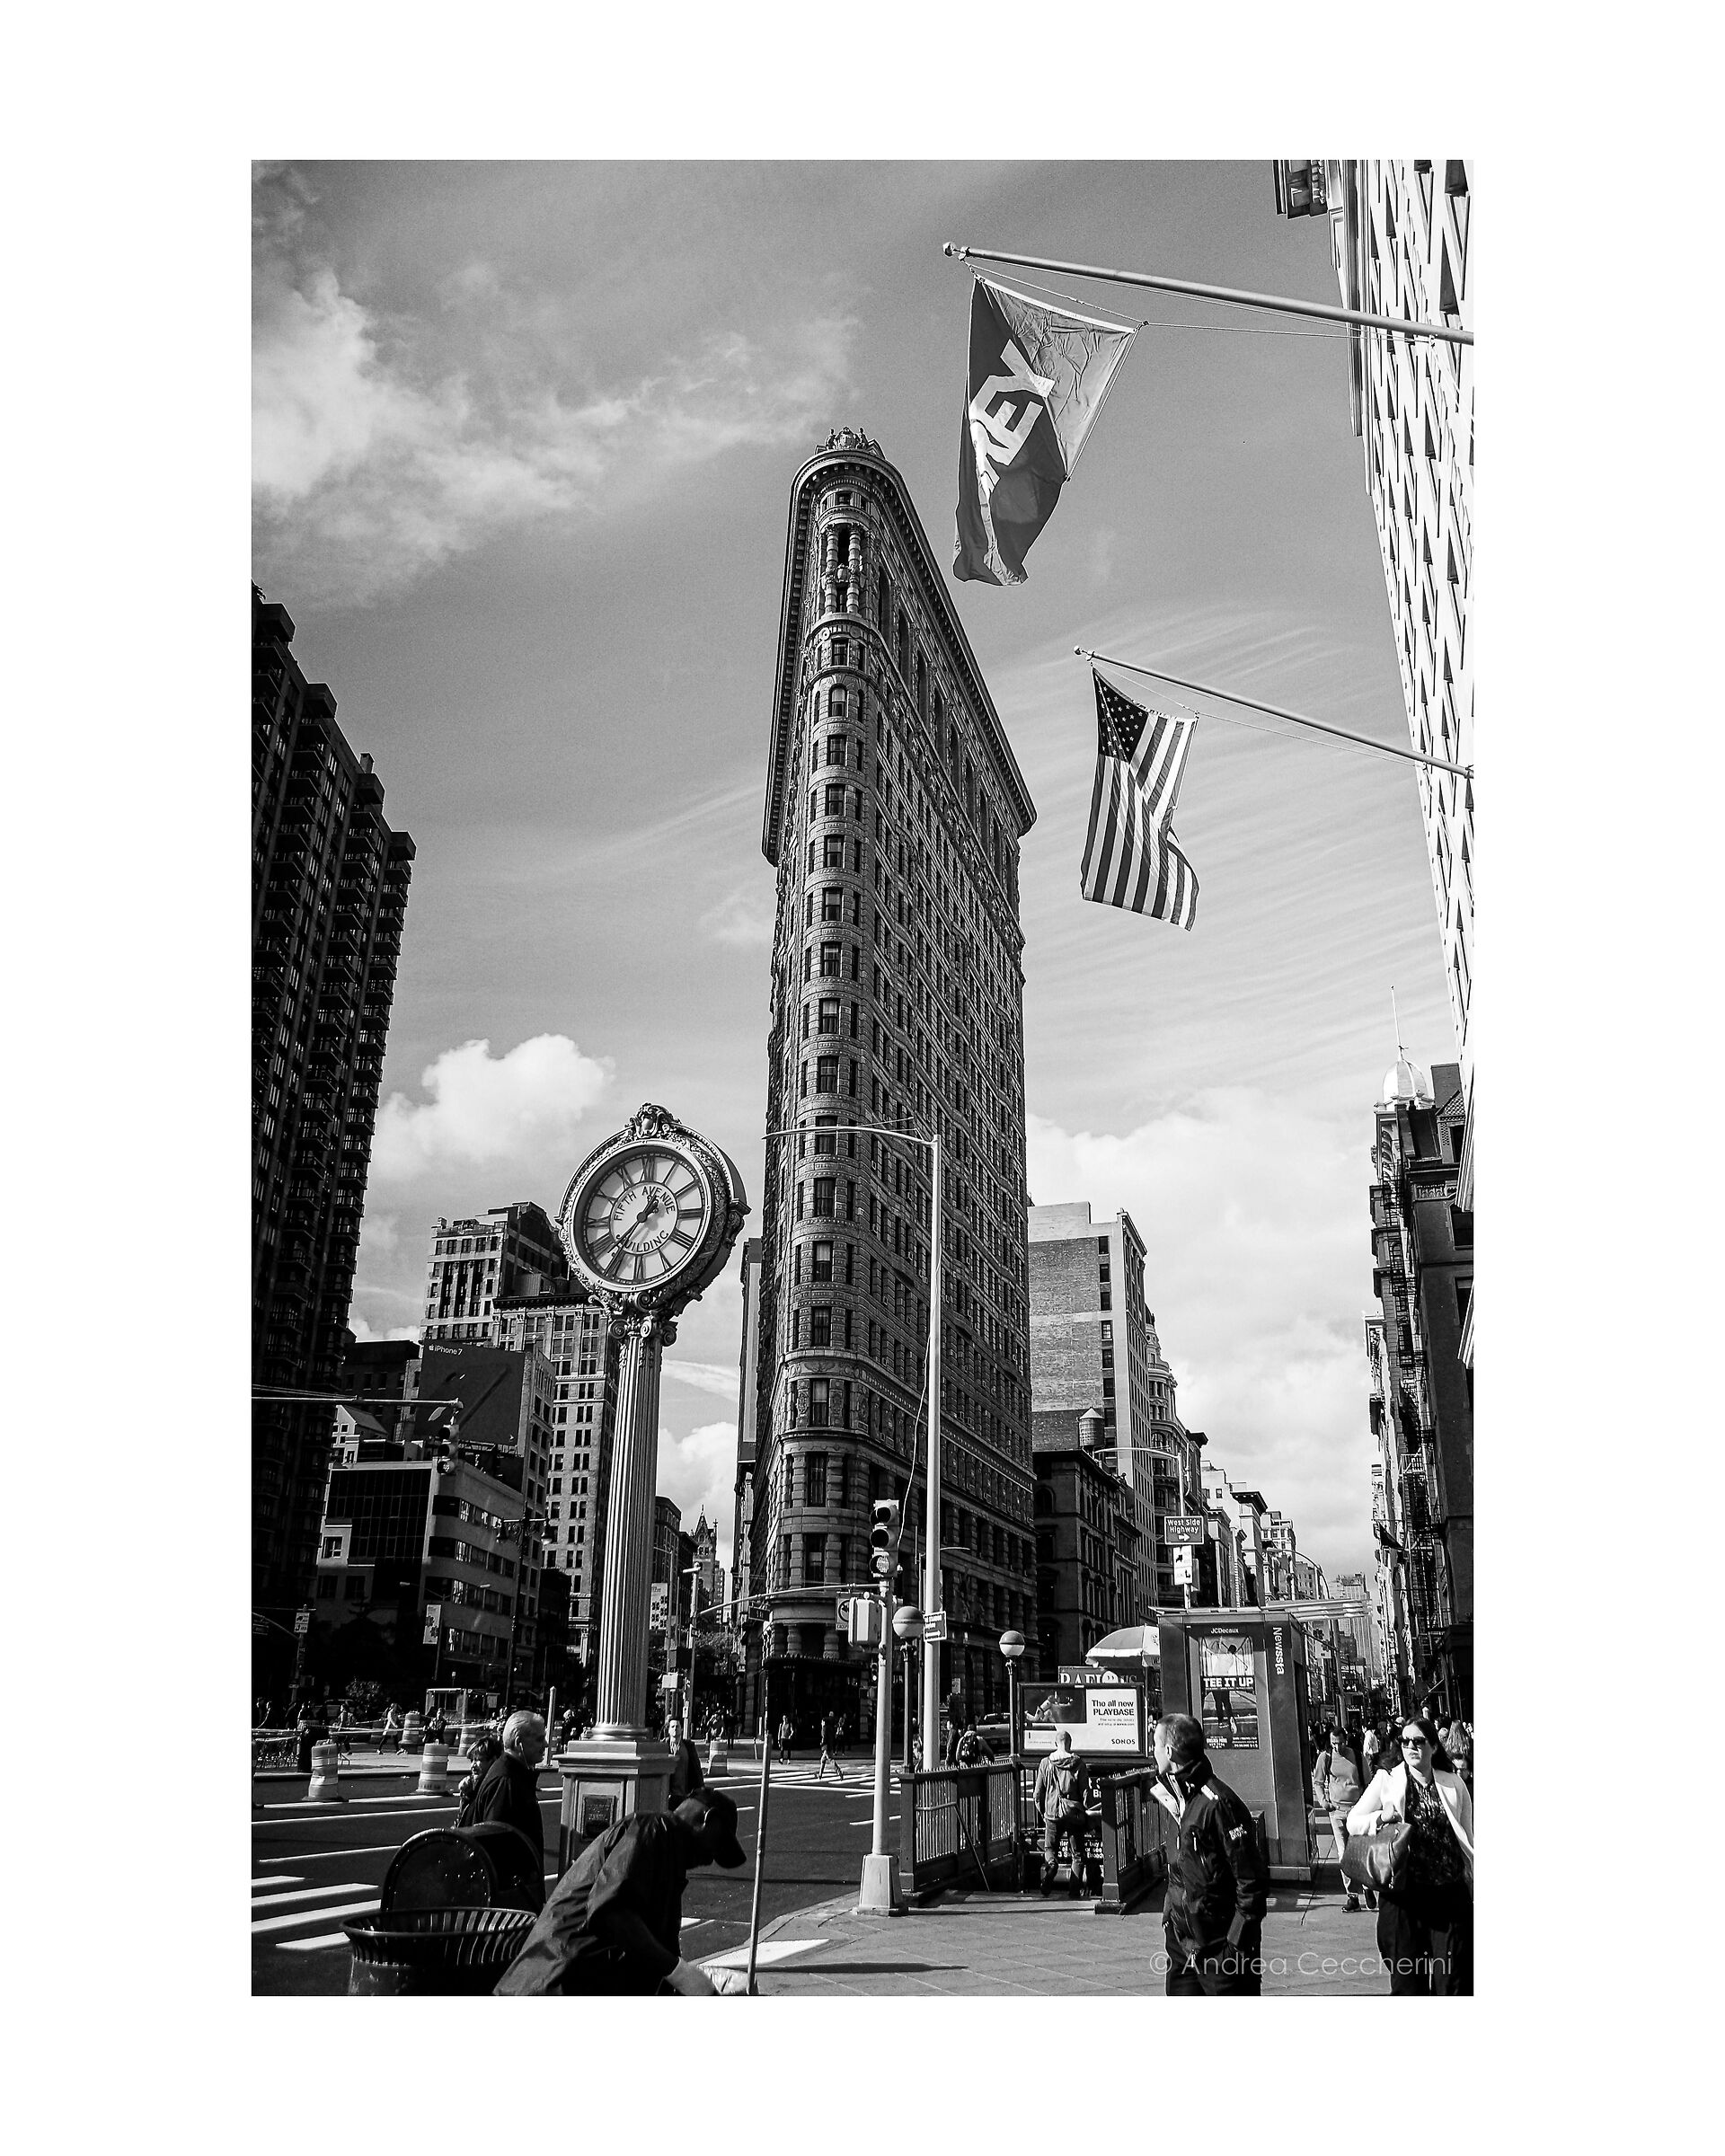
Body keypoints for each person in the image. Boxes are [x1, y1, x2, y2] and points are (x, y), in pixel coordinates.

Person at [494, 1788, 750, 1995]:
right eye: (717, 1846)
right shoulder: (653, 1829)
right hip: (558, 1981)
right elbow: (609, 1911)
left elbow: (658, 1946)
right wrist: (678, 1972)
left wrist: (681, 1977)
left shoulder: (667, 1853)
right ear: (709, 1820)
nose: (710, 1860)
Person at [1348, 1713, 1473, 1995]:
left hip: (1448, 1895)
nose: (1411, 1747)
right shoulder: (1387, 1779)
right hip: (1404, 1897)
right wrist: (1380, 1817)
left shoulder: (1454, 1784)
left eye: (1418, 1741)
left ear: (1434, 1746)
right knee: (1408, 1984)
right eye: (1405, 1742)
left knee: (1452, 1984)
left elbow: (1468, 1837)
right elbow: (1353, 1821)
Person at [1150, 1710, 1269, 1996]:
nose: (1151, 1751)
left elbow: (1251, 1881)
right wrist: (1170, 1918)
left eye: (1155, 1744)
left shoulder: (1218, 1804)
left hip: (1220, 1950)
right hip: (1182, 1945)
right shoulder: (1178, 1800)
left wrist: (1235, 1945)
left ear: (1169, 1750)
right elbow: (1179, 1868)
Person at [469, 1710, 548, 1876]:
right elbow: (495, 1841)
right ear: (519, 1743)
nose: (546, 1745)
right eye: (539, 1739)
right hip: (511, 1892)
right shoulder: (506, 1782)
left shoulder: (514, 1775)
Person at [1312, 1725, 1365, 1912]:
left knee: (1359, 1852)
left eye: (1340, 1743)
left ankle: (1367, 1887)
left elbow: (1368, 1781)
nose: (1337, 1747)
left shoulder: (1357, 1756)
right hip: (1337, 1811)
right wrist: (1323, 1801)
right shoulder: (1325, 1758)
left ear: (1346, 1740)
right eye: (1334, 1743)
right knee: (1343, 1854)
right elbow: (1318, 1781)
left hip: (1357, 1811)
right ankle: (1352, 1895)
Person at [1033, 1730, 1090, 1896]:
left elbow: (1037, 1793)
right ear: (1070, 1744)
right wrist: (1086, 1812)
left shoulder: (1046, 1763)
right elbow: (1085, 1791)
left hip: (1052, 1813)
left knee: (1050, 1848)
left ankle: (1052, 1866)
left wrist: (1043, 1812)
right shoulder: (1078, 1763)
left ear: (1055, 1743)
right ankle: (1074, 1891)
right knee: (1078, 1855)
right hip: (1073, 1813)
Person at [668, 1728, 705, 1807]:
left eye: (677, 1726)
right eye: (673, 1726)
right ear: (668, 1730)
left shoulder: (688, 1746)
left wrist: (700, 1787)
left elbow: (696, 1768)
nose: (675, 1729)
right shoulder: (663, 1746)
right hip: (669, 1795)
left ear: (681, 1729)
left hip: (685, 1794)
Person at [816, 1710, 845, 1781]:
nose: (821, 1723)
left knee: (830, 1760)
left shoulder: (824, 1728)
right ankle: (820, 1775)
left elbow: (824, 1737)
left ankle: (839, 1771)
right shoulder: (830, 1728)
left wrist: (822, 1743)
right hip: (830, 1745)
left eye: (822, 1722)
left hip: (826, 1746)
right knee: (823, 1760)